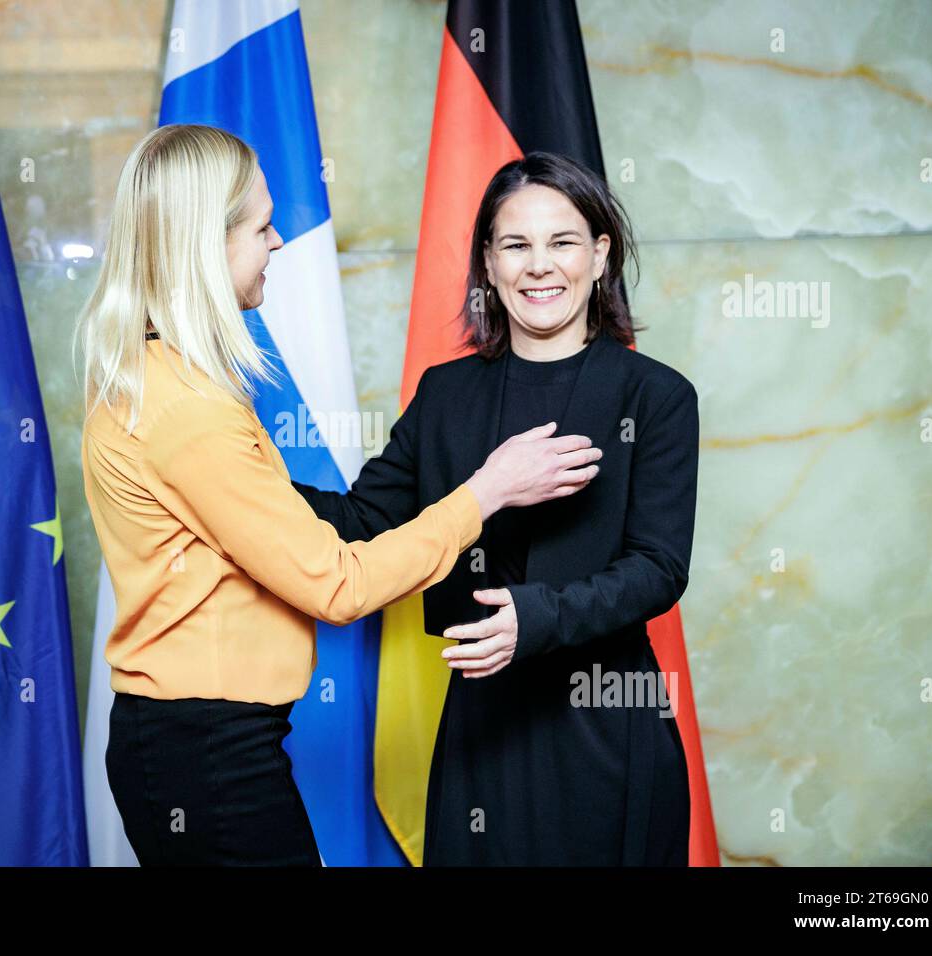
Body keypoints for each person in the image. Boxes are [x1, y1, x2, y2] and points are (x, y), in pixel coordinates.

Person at [74, 125, 604, 866]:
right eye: (261, 226)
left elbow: (305, 519)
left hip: (195, 742)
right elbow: (338, 584)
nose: (279, 241)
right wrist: (486, 492)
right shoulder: (188, 406)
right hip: (206, 749)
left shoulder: (160, 379)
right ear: (206, 243)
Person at [295, 151, 698, 865]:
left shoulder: (657, 396)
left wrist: (537, 617)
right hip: (483, 727)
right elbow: (362, 522)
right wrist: (241, 473)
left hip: (607, 728)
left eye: (563, 242)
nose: (539, 265)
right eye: (516, 244)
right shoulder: (447, 393)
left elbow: (659, 569)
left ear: (600, 256)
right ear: (488, 261)